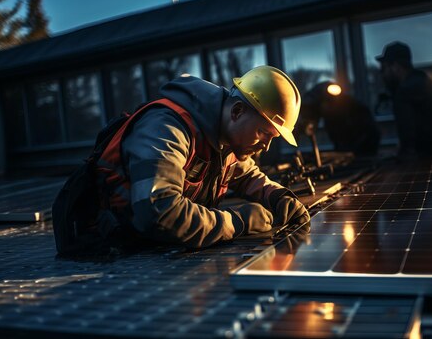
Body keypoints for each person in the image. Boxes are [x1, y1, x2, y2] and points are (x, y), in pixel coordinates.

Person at [95, 65, 310, 249]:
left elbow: (246, 174)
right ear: (236, 112)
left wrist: (278, 196)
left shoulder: (224, 138)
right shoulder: (166, 129)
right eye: (263, 133)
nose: (266, 146)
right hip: (113, 253)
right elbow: (159, 212)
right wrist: (237, 222)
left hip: (156, 248)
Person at [376, 41, 432, 158]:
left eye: (384, 68)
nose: (383, 73)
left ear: (395, 66)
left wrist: (399, 155)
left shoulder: (405, 91)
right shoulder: (422, 81)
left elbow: (407, 139)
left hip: (425, 157)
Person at [304, 81, 381, 156]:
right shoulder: (330, 118)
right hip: (345, 152)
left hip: (364, 151)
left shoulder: (354, 108)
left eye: (327, 103)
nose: (325, 107)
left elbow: (370, 133)